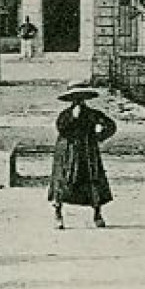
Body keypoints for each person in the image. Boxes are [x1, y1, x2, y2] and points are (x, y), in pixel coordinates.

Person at [48, 80, 116, 228]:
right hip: (67, 151)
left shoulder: (93, 114)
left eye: (81, 97)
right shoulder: (65, 115)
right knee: (63, 181)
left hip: (87, 151)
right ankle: (58, 214)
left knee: (92, 179)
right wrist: (73, 117)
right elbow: (61, 128)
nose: (78, 101)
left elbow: (111, 125)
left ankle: (97, 214)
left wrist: (99, 135)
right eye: (75, 97)